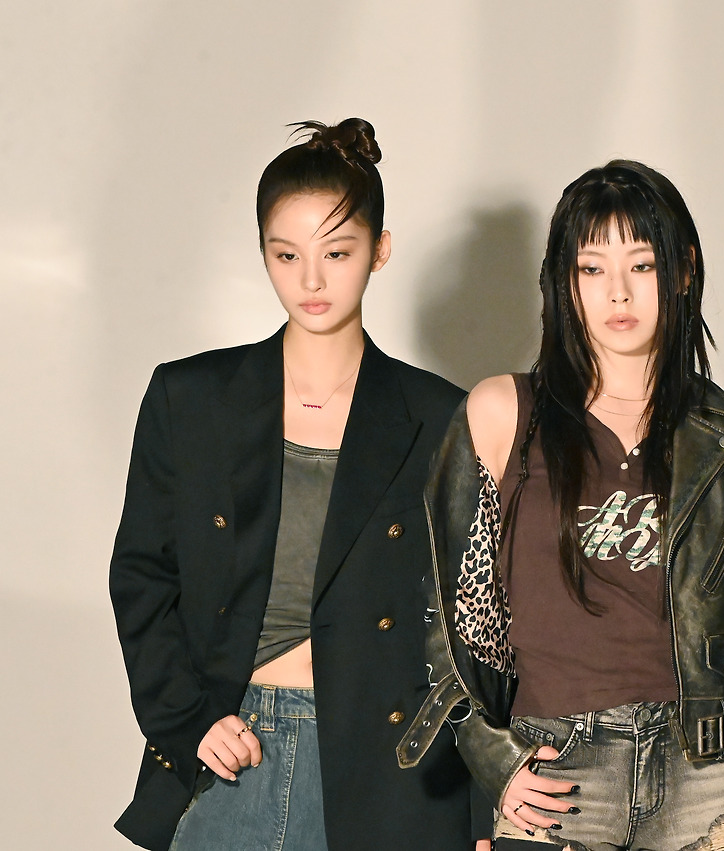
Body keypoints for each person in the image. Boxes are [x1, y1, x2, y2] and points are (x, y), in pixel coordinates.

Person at [394, 160, 724, 851]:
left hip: (710, 772)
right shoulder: (503, 412)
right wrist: (496, 759)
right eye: (592, 268)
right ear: (565, 282)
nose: (618, 291)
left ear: (683, 271)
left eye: (641, 265)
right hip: (559, 767)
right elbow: (447, 608)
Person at [110, 118, 474, 850]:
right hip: (233, 751)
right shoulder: (190, 399)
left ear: (380, 250)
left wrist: (484, 802)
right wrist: (187, 720)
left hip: (387, 765)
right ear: (263, 255)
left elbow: (474, 620)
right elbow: (143, 574)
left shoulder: (441, 416)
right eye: (287, 255)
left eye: (337, 252)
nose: (311, 281)